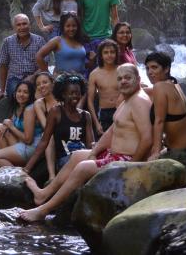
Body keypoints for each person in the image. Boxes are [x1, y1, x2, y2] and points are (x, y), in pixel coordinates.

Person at [19, 64, 152, 222]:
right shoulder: (126, 100)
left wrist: (132, 167)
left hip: (128, 160)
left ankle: (43, 210)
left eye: (127, 78)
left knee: (83, 167)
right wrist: (94, 152)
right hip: (115, 155)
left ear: (138, 79)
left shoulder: (139, 101)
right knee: (77, 156)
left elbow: (147, 138)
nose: (123, 81)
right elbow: (111, 132)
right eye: (120, 78)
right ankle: (43, 194)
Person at [23, 73, 94, 176]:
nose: (75, 96)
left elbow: (90, 145)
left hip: (82, 159)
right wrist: (27, 168)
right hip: (64, 160)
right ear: (63, 94)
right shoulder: (56, 112)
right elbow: (44, 142)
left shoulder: (85, 116)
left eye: (77, 93)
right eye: (71, 93)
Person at [147, 52, 186, 158]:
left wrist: (156, 151)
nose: (150, 72)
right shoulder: (173, 83)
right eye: (147, 68)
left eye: (154, 67)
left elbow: (159, 121)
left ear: (166, 69)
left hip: (185, 147)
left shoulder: (159, 87)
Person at [0, 14, 47, 101]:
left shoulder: (39, 40)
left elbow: (45, 66)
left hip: (36, 77)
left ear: (29, 25)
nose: (22, 27)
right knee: (15, 95)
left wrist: (32, 77)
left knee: (40, 96)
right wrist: (2, 90)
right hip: (15, 78)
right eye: (18, 25)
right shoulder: (7, 42)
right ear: (14, 27)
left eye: (24, 24)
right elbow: (3, 66)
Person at [79, 0, 120, 73]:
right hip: (88, 38)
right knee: (89, 69)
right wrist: (81, 35)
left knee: (107, 69)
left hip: (105, 37)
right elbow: (80, 17)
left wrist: (116, 37)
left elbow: (115, 17)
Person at [0, 80, 42, 166]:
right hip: (21, 142)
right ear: (15, 93)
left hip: (31, 147)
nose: (21, 94)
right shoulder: (18, 107)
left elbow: (28, 140)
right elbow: (9, 123)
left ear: (30, 95)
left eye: (25, 92)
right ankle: (9, 163)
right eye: (19, 91)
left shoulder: (29, 109)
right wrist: (7, 124)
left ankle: (19, 176)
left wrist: (11, 127)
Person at [35, 13, 91, 77]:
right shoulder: (57, 40)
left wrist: (92, 60)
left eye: (74, 26)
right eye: (68, 26)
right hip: (63, 81)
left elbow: (83, 65)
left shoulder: (80, 40)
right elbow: (39, 56)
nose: (71, 29)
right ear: (63, 27)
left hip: (80, 80)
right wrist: (48, 76)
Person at [87, 39, 120, 136]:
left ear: (116, 54)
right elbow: (90, 100)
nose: (109, 55)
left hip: (121, 110)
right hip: (104, 113)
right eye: (106, 52)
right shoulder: (94, 74)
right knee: (105, 146)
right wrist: (96, 123)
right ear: (101, 55)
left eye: (112, 52)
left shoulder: (122, 70)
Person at [33, 72, 60, 180]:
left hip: (67, 129)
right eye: (38, 84)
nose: (41, 86)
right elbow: (45, 125)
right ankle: (51, 176)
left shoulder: (61, 98)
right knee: (48, 135)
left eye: (45, 82)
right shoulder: (39, 103)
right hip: (51, 133)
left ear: (52, 83)